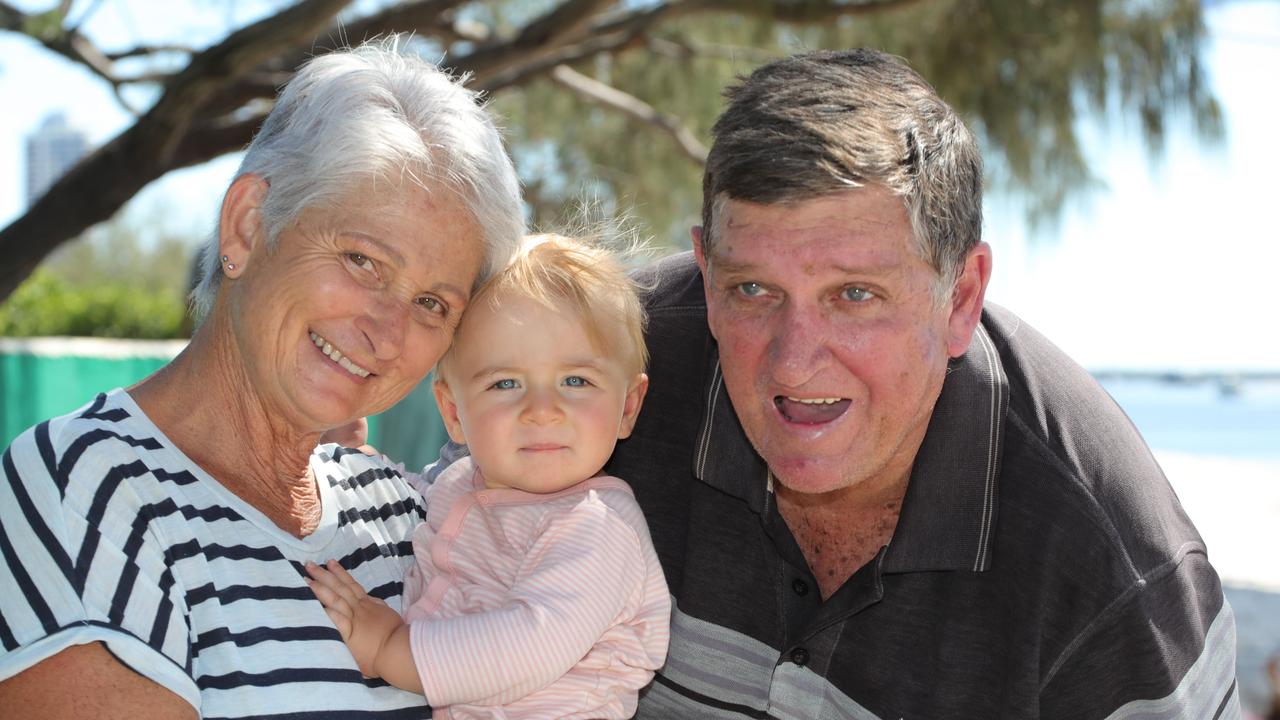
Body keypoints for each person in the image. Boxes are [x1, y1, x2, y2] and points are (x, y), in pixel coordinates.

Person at [604, 49, 1241, 718]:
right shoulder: (598, 371)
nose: (792, 363)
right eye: (752, 289)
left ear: (961, 298)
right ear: (707, 274)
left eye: (854, 294)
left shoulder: (1108, 569)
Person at [0, 39, 524, 719]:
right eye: (363, 261)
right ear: (247, 227)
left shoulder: (408, 514)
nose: (387, 332)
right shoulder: (82, 493)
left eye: (433, 303)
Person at [305, 234, 670, 719]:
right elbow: (413, 500)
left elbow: (530, 644)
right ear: (453, 413)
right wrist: (357, 457)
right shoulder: (461, 481)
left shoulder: (599, 527)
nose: (542, 410)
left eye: (575, 381)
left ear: (627, 407)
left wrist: (390, 648)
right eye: (506, 383)